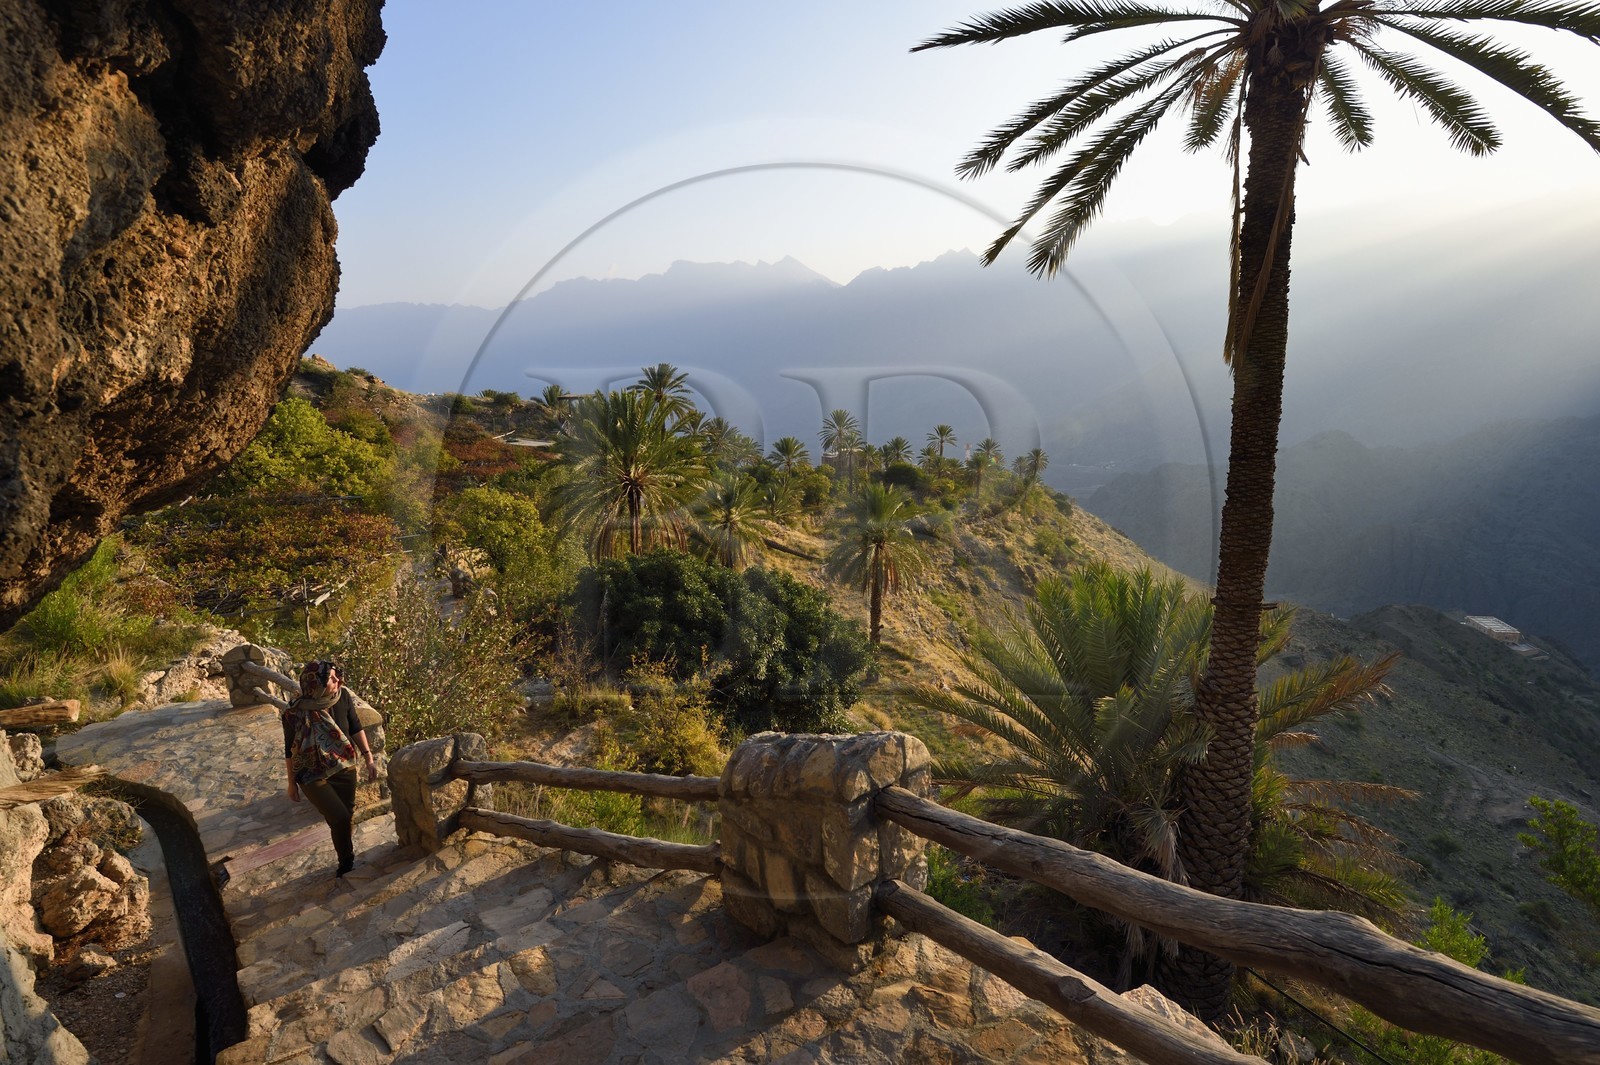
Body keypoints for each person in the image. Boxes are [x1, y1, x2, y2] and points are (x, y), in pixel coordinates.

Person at [283, 660, 377, 877]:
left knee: (346, 815)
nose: (338, 681)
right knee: (339, 817)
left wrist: (368, 757)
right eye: (332, 679)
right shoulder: (293, 713)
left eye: (337, 676)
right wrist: (291, 784)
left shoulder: (342, 696)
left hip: (344, 767)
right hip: (310, 774)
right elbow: (289, 750)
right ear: (315, 684)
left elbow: (355, 726)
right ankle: (347, 860)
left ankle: (346, 857)